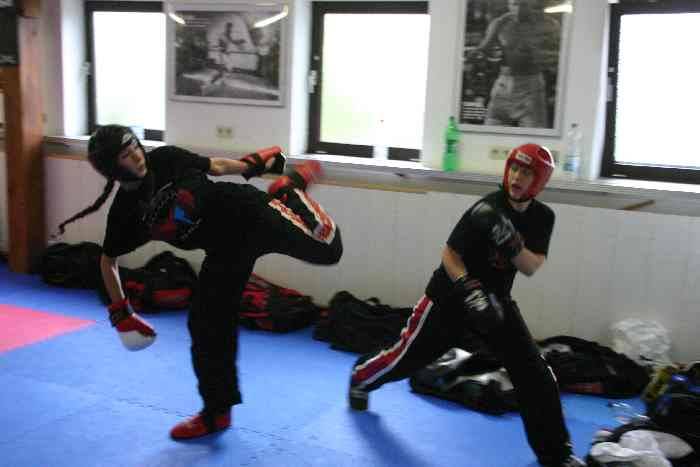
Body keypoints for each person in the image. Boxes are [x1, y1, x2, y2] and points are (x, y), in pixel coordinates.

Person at [57, 125, 342, 440]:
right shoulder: (126, 215)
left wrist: (250, 166)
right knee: (206, 323)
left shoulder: (165, 159)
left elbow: (215, 166)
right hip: (225, 249)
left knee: (329, 250)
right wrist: (121, 312)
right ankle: (216, 412)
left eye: (135, 147)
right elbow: (107, 260)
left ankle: (290, 190)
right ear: (111, 167)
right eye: (126, 155)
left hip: (252, 214)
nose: (137, 156)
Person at [348, 143, 584, 467]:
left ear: (539, 181)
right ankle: (361, 377)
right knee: (405, 359)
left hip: (495, 303)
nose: (516, 177)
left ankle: (557, 454)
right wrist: (467, 285)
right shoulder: (486, 208)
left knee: (535, 373)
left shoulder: (543, 217)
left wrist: (510, 240)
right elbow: (450, 254)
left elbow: (530, 266)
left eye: (526, 173)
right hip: (450, 299)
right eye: (515, 169)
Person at [468, 0, 561, 128]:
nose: (519, 9)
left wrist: (544, 57)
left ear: (531, 4)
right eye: (515, 4)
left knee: (533, 136)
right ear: (509, 4)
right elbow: (484, 48)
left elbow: (556, 56)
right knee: (491, 130)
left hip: (530, 87)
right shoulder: (500, 23)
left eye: (523, 4)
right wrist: (473, 55)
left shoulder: (548, 25)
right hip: (503, 86)